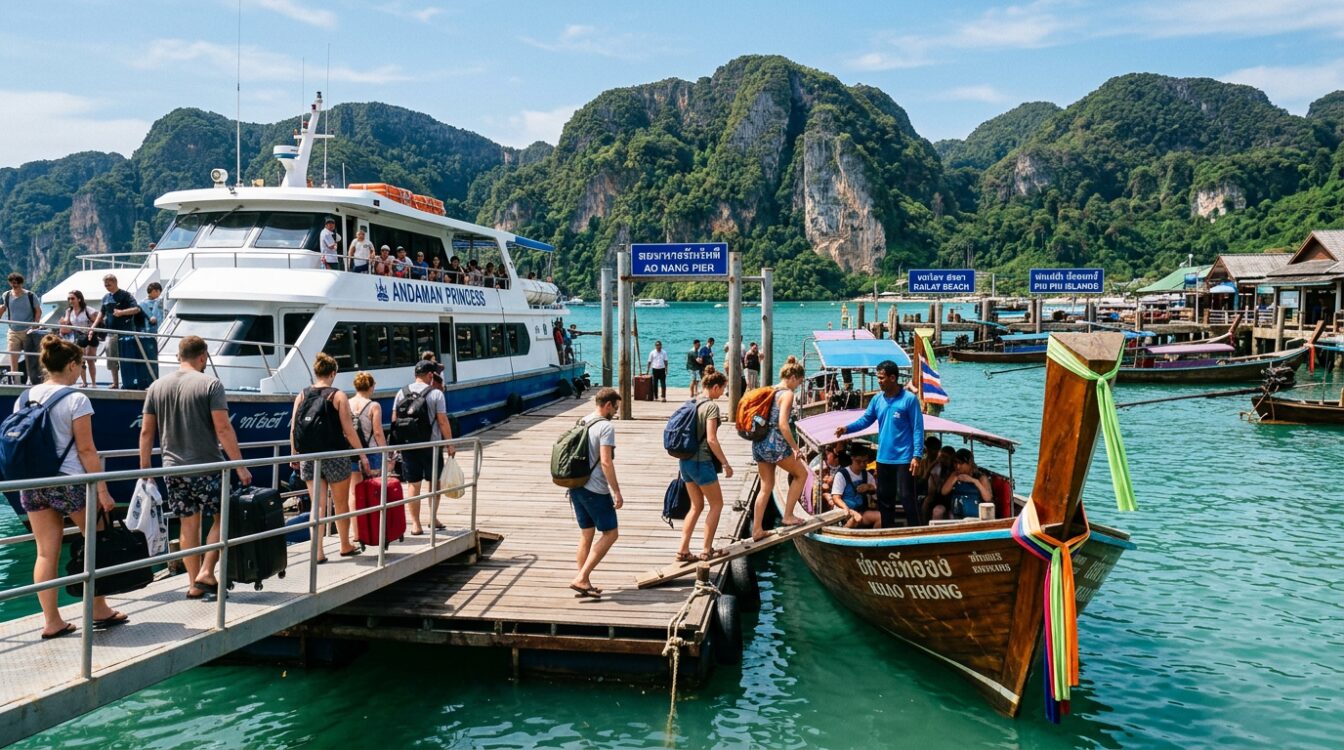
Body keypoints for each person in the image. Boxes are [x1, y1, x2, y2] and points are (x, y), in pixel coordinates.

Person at [19, 335, 126, 638]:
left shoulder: (25, 396)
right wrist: (103, 490)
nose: (81, 370)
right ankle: (98, 608)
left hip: (34, 482)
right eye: (80, 364)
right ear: (70, 365)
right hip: (70, 483)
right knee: (96, 538)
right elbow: (87, 450)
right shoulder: (77, 398)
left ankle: (52, 621)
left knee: (45, 552)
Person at [140, 335, 252, 599]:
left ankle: (193, 584)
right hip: (207, 467)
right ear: (202, 357)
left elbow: (146, 432)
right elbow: (223, 428)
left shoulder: (156, 387)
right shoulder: (211, 384)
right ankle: (206, 571)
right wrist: (240, 466)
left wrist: (145, 471)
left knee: (187, 525)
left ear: (179, 356)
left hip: (172, 470)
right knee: (222, 517)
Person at [292, 353, 370, 560]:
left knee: (317, 506)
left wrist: (294, 454)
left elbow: (293, 428)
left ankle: (317, 552)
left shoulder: (302, 394)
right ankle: (345, 545)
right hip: (335, 455)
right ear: (333, 373)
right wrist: (362, 455)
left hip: (309, 457)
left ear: (316, 372)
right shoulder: (338, 395)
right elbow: (348, 431)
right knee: (340, 503)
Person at [834, 359, 925, 527]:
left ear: (892, 378)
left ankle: (917, 532)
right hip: (883, 459)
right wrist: (847, 429)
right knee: (885, 499)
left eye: (882, 378)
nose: (879, 381)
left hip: (904, 459)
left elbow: (918, 429)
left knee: (907, 498)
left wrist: (917, 455)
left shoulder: (909, 400)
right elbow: (866, 420)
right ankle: (887, 533)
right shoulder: (877, 400)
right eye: (878, 377)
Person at [568, 387, 623, 598]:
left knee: (587, 533)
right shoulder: (605, 427)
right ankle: (582, 578)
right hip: (595, 488)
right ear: (607, 405)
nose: (615, 412)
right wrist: (616, 491)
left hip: (576, 486)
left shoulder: (583, 420)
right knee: (611, 533)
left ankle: (584, 581)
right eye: (615, 408)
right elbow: (606, 462)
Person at [674, 369, 733, 562]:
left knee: (696, 505)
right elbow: (712, 439)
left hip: (685, 462)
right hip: (701, 462)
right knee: (717, 504)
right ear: (715, 387)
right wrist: (725, 463)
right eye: (723, 388)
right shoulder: (711, 407)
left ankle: (683, 550)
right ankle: (707, 550)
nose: (723, 393)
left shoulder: (692, 402)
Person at [392, 359, 456, 535]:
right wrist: (450, 444)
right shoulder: (436, 394)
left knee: (413, 484)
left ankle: (415, 524)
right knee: (434, 483)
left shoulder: (401, 393)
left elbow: (394, 421)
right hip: (432, 446)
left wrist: (395, 448)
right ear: (429, 375)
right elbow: (442, 421)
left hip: (408, 446)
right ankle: (432, 518)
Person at [750, 357, 810, 541]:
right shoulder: (787, 394)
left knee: (765, 486)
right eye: (799, 382)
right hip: (774, 444)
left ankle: (757, 529)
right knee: (802, 474)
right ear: (792, 377)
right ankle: (788, 516)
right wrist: (795, 448)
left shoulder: (770, 390)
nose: (798, 386)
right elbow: (783, 424)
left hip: (759, 443)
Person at [92, 274, 141, 390]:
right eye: (105, 285)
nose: (107, 286)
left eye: (109, 284)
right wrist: (93, 327)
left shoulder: (126, 295)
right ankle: (115, 383)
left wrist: (122, 312)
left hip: (125, 333)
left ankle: (129, 383)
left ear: (115, 282)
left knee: (126, 359)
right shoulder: (105, 298)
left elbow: (136, 309)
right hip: (110, 333)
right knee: (111, 360)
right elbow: (101, 313)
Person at [1, 272, 43, 384]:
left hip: (28, 331)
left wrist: (35, 324)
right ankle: (14, 381)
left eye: (18, 283)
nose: (15, 285)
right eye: (13, 283)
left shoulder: (30, 295)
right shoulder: (6, 295)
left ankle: (31, 380)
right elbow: (3, 308)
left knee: (30, 357)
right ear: (10, 283)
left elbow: (38, 311)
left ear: (21, 283)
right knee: (13, 356)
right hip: (13, 331)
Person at [348, 372, 386, 487]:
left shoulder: (347, 403)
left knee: (355, 490)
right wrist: (386, 451)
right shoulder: (374, 406)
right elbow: (378, 433)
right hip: (371, 451)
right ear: (371, 386)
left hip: (352, 451)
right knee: (374, 488)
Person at [831, 443, 881, 529]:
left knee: (881, 517)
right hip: (844, 512)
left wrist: (870, 488)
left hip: (862, 511)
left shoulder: (868, 476)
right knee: (856, 519)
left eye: (865, 461)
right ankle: (844, 532)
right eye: (858, 461)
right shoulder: (841, 475)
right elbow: (836, 498)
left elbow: (876, 497)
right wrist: (848, 510)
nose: (862, 464)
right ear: (852, 458)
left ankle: (873, 540)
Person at [58, 290, 96, 387]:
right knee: (80, 360)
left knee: (90, 360)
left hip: (90, 336)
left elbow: (97, 321)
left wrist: (91, 330)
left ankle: (94, 383)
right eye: (69, 299)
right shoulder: (69, 311)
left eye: (72, 298)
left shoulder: (88, 310)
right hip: (78, 337)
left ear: (79, 299)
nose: (70, 301)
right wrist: (63, 322)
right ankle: (84, 382)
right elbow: (67, 322)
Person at [942, 448, 992, 520]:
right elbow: (944, 491)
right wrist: (955, 478)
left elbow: (988, 498)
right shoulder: (955, 474)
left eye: (961, 463)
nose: (957, 466)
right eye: (955, 463)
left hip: (976, 516)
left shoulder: (980, 478)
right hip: (957, 513)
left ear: (969, 463)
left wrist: (974, 481)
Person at [923, 445, 957, 522]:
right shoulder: (937, 468)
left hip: (951, 498)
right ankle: (924, 524)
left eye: (945, 457)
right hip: (939, 497)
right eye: (940, 457)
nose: (942, 459)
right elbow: (926, 479)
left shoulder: (955, 468)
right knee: (927, 501)